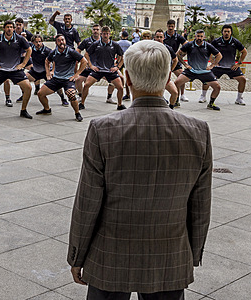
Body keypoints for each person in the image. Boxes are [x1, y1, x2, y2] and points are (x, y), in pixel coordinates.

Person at [68, 39, 212, 300]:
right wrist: (193, 252)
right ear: (168, 77)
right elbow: (200, 204)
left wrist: (77, 255)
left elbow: (87, 201)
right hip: (170, 253)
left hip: (110, 253)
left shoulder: (103, 129)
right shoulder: (198, 130)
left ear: (127, 78)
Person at [0, 20, 33, 119]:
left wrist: (23, 64)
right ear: (4, 28)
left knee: (28, 88)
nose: (9, 29)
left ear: (13, 29)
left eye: (11, 27)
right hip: (0, 69)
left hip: (15, 70)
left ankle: (23, 110)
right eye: (7, 27)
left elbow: (29, 49)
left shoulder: (20, 39)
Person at [36, 34, 86, 122]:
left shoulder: (71, 51)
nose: (61, 42)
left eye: (62, 40)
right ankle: (47, 109)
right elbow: (47, 61)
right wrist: (48, 73)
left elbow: (84, 61)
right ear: (56, 43)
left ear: (65, 41)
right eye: (59, 40)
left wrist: (77, 74)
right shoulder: (54, 52)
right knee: (40, 93)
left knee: (71, 95)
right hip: (56, 79)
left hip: (68, 79)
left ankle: (77, 113)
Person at [80, 26, 126, 111]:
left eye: (107, 34)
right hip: (98, 70)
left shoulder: (115, 45)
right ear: (101, 34)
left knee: (120, 87)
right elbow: (86, 54)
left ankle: (120, 105)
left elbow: (122, 56)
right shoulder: (96, 44)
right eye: (104, 34)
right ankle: (82, 103)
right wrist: (91, 65)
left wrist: (117, 67)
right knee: (86, 85)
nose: (105, 35)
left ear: (109, 34)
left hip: (110, 70)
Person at [175, 30, 223, 111]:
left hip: (204, 71)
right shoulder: (189, 45)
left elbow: (219, 55)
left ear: (204, 37)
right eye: (198, 36)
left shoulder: (208, 46)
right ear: (195, 36)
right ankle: (176, 101)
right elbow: (178, 54)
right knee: (176, 83)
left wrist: (212, 65)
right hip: (191, 71)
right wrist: (185, 64)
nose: (199, 38)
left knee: (217, 87)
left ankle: (211, 103)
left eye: (201, 36)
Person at [16, 34, 68, 106]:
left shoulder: (47, 51)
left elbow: (55, 61)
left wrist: (52, 71)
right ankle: (24, 95)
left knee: (57, 85)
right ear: (33, 42)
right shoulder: (31, 48)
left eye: (40, 41)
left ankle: (63, 99)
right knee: (22, 80)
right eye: (36, 42)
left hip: (46, 72)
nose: (38, 44)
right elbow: (24, 43)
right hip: (35, 71)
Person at [203, 24, 248, 105]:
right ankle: (203, 96)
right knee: (206, 78)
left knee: (242, 79)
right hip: (218, 67)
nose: (226, 33)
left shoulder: (235, 42)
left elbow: (244, 52)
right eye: (225, 31)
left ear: (231, 33)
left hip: (231, 67)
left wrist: (239, 64)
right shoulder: (216, 41)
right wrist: (213, 62)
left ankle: (239, 98)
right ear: (222, 32)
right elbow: (208, 51)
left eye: (228, 31)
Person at [164, 19, 189, 102]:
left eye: (172, 26)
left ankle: (182, 94)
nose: (170, 28)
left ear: (174, 27)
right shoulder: (163, 35)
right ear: (167, 26)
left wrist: (180, 52)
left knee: (182, 76)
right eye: (169, 26)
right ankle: (161, 95)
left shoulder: (178, 36)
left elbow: (187, 44)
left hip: (175, 59)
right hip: (165, 60)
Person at [154, 29, 179, 108]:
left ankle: (171, 109)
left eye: (160, 37)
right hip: (153, 77)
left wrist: (170, 70)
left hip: (165, 76)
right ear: (154, 37)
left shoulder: (168, 48)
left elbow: (175, 60)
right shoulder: (150, 48)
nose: (159, 38)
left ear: (163, 38)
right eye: (157, 37)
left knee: (175, 93)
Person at [106, 29, 132, 104]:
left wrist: (116, 61)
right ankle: (127, 94)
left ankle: (110, 95)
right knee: (128, 77)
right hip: (127, 60)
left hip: (119, 61)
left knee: (114, 77)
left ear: (121, 36)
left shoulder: (118, 43)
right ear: (127, 36)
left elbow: (115, 53)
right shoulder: (129, 43)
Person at [76, 24, 101, 95]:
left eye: (97, 29)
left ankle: (109, 97)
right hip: (89, 66)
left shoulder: (104, 41)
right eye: (94, 29)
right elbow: (78, 49)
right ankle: (81, 94)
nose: (95, 31)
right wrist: (81, 60)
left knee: (115, 81)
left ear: (100, 31)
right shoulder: (87, 41)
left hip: (101, 67)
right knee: (78, 80)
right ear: (92, 30)